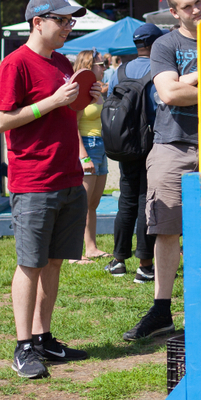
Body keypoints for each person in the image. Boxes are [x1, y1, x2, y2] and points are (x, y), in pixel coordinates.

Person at [123, 0, 201, 341]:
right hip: (172, 146)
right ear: (173, 12)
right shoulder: (165, 44)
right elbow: (169, 94)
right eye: (188, 6)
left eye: (200, 1)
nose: (197, 9)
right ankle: (162, 311)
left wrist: (187, 82)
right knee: (166, 228)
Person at [0, 0, 97, 379]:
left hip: (68, 177)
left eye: (71, 21)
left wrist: (87, 97)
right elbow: (1, 121)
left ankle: (43, 338)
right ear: (38, 22)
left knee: (53, 262)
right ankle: (23, 348)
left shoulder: (61, 62)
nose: (69, 27)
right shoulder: (15, 63)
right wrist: (52, 102)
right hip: (34, 181)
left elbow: (66, 110)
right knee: (30, 264)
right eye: (63, 21)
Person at [104, 23, 163, 283]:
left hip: (125, 142)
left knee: (126, 200)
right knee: (145, 203)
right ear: (156, 43)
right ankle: (145, 265)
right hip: (151, 141)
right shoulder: (158, 70)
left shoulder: (120, 70)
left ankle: (118, 260)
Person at [70, 49, 110, 263]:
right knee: (81, 204)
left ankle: (91, 248)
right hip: (87, 145)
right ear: (89, 65)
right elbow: (72, 125)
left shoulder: (96, 89)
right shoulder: (79, 90)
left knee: (93, 203)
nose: (104, 67)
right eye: (100, 64)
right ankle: (74, 253)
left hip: (100, 146)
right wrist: (83, 155)